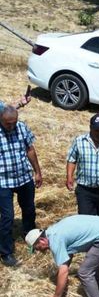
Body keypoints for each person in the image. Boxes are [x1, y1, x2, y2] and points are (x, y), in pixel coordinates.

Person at [0, 106, 42, 267]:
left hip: (24, 178)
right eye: (7, 124)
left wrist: (37, 172)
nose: (11, 127)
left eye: (14, 123)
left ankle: (30, 235)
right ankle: (6, 252)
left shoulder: (22, 127)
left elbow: (30, 149)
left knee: (29, 209)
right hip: (3, 182)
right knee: (7, 217)